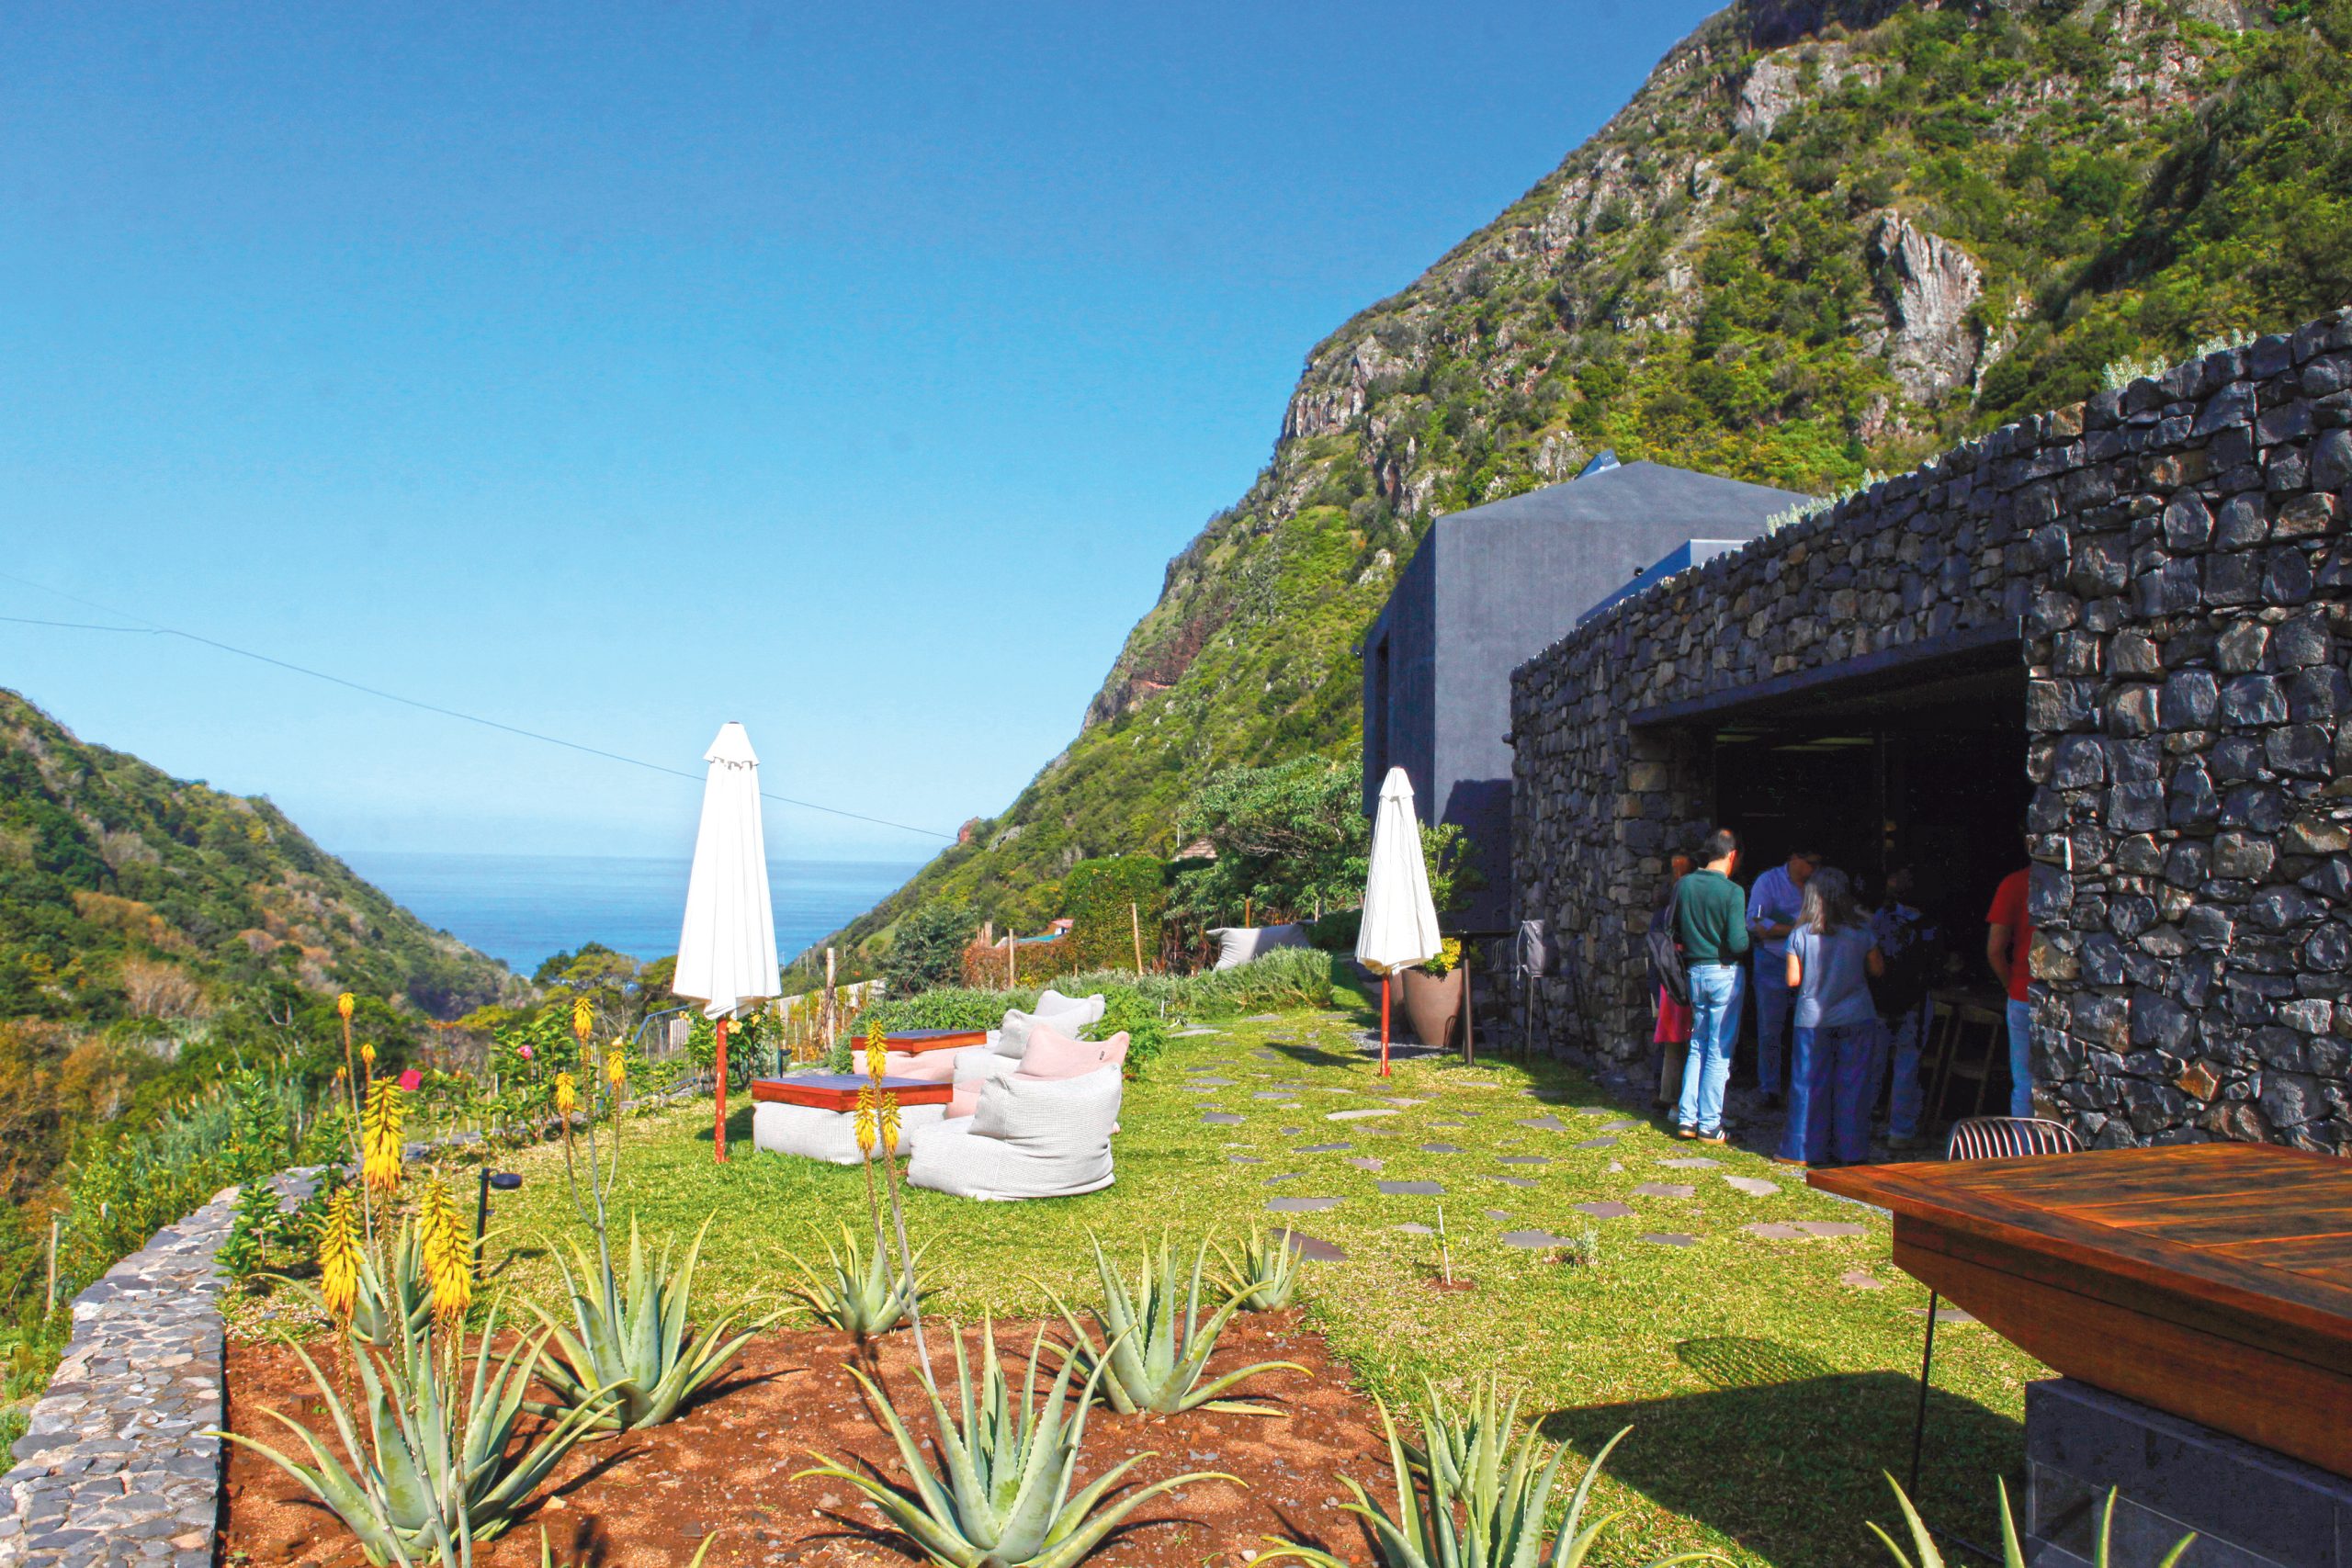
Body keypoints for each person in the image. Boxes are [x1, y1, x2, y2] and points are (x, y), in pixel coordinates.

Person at [1779, 866, 1884, 1167]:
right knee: (1853, 1086)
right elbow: (1877, 969)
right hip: (1856, 1015)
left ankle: (1801, 1151)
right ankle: (1850, 1151)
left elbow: (1792, 980)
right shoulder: (1863, 933)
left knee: (1808, 1085)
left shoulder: (1799, 935)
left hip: (1812, 1019)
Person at [1673, 829, 1749, 1144]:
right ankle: (1709, 1123)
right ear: (1732, 856)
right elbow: (1737, 942)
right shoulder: (1733, 891)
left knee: (1697, 1045)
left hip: (1694, 971)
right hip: (1723, 973)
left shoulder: (1686, 883)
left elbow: (1676, 927)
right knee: (1719, 1050)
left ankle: (1687, 1119)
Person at [1871, 865, 1944, 1151]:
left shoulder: (1882, 918)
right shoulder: (1929, 927)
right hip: (1913, 1001)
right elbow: (1935, 968)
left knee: (1874, 1065)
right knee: (1906, 1067)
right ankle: (1900, 1130)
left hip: (1882, 999)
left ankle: (1862, 1121)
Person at [1745, 847, 1820, 1107]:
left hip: (1808, 963)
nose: (1812, 869)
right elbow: (1754, 921)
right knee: (1770, 1028)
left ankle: (1802, 1088)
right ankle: (1770, 1089)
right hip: (1774, 961)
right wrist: (1793, 929)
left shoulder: (1817, 884)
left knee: (1806, 1027)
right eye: (1808, 862)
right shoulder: (1769, 882)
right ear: (1794, 857)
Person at [1986, 864, 2035, 1118]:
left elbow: (1995, 950)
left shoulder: (2015, 883)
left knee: (2025, 1084)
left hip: (2023, 993)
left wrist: (2010, 984)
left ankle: (2024, 1155)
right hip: (2069, 996)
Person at [1649, 852, 1696, 1108]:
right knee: (1675, 1039)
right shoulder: (1675, 905)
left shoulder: (1666, 906)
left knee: (1671, 1039)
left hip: (1666, 974)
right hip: (1671, 975)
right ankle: (1671, 1095)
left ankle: (1667, 1094)